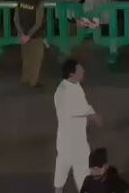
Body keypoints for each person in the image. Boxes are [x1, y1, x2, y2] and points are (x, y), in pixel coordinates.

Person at [54, 59, 101, 193]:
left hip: (75, 140)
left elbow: (84, 104)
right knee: (69, 170)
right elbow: (77, 108)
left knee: (64, 169)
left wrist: (92, 113)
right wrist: (93, 115)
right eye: (80, 70)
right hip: (71, 142)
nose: (83, 71)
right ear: (71, 74)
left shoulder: (75, 85)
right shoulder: (63, 92)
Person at [16, 0, 47, 88]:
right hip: (35, 36)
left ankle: (25, 78)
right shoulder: (39, 3)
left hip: (23, 36)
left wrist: (22, 35)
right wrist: (29, 36)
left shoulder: (21, 2)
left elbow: (16, 20)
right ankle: (33, 81)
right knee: (36, 59)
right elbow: (38, 23)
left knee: (26, 58)